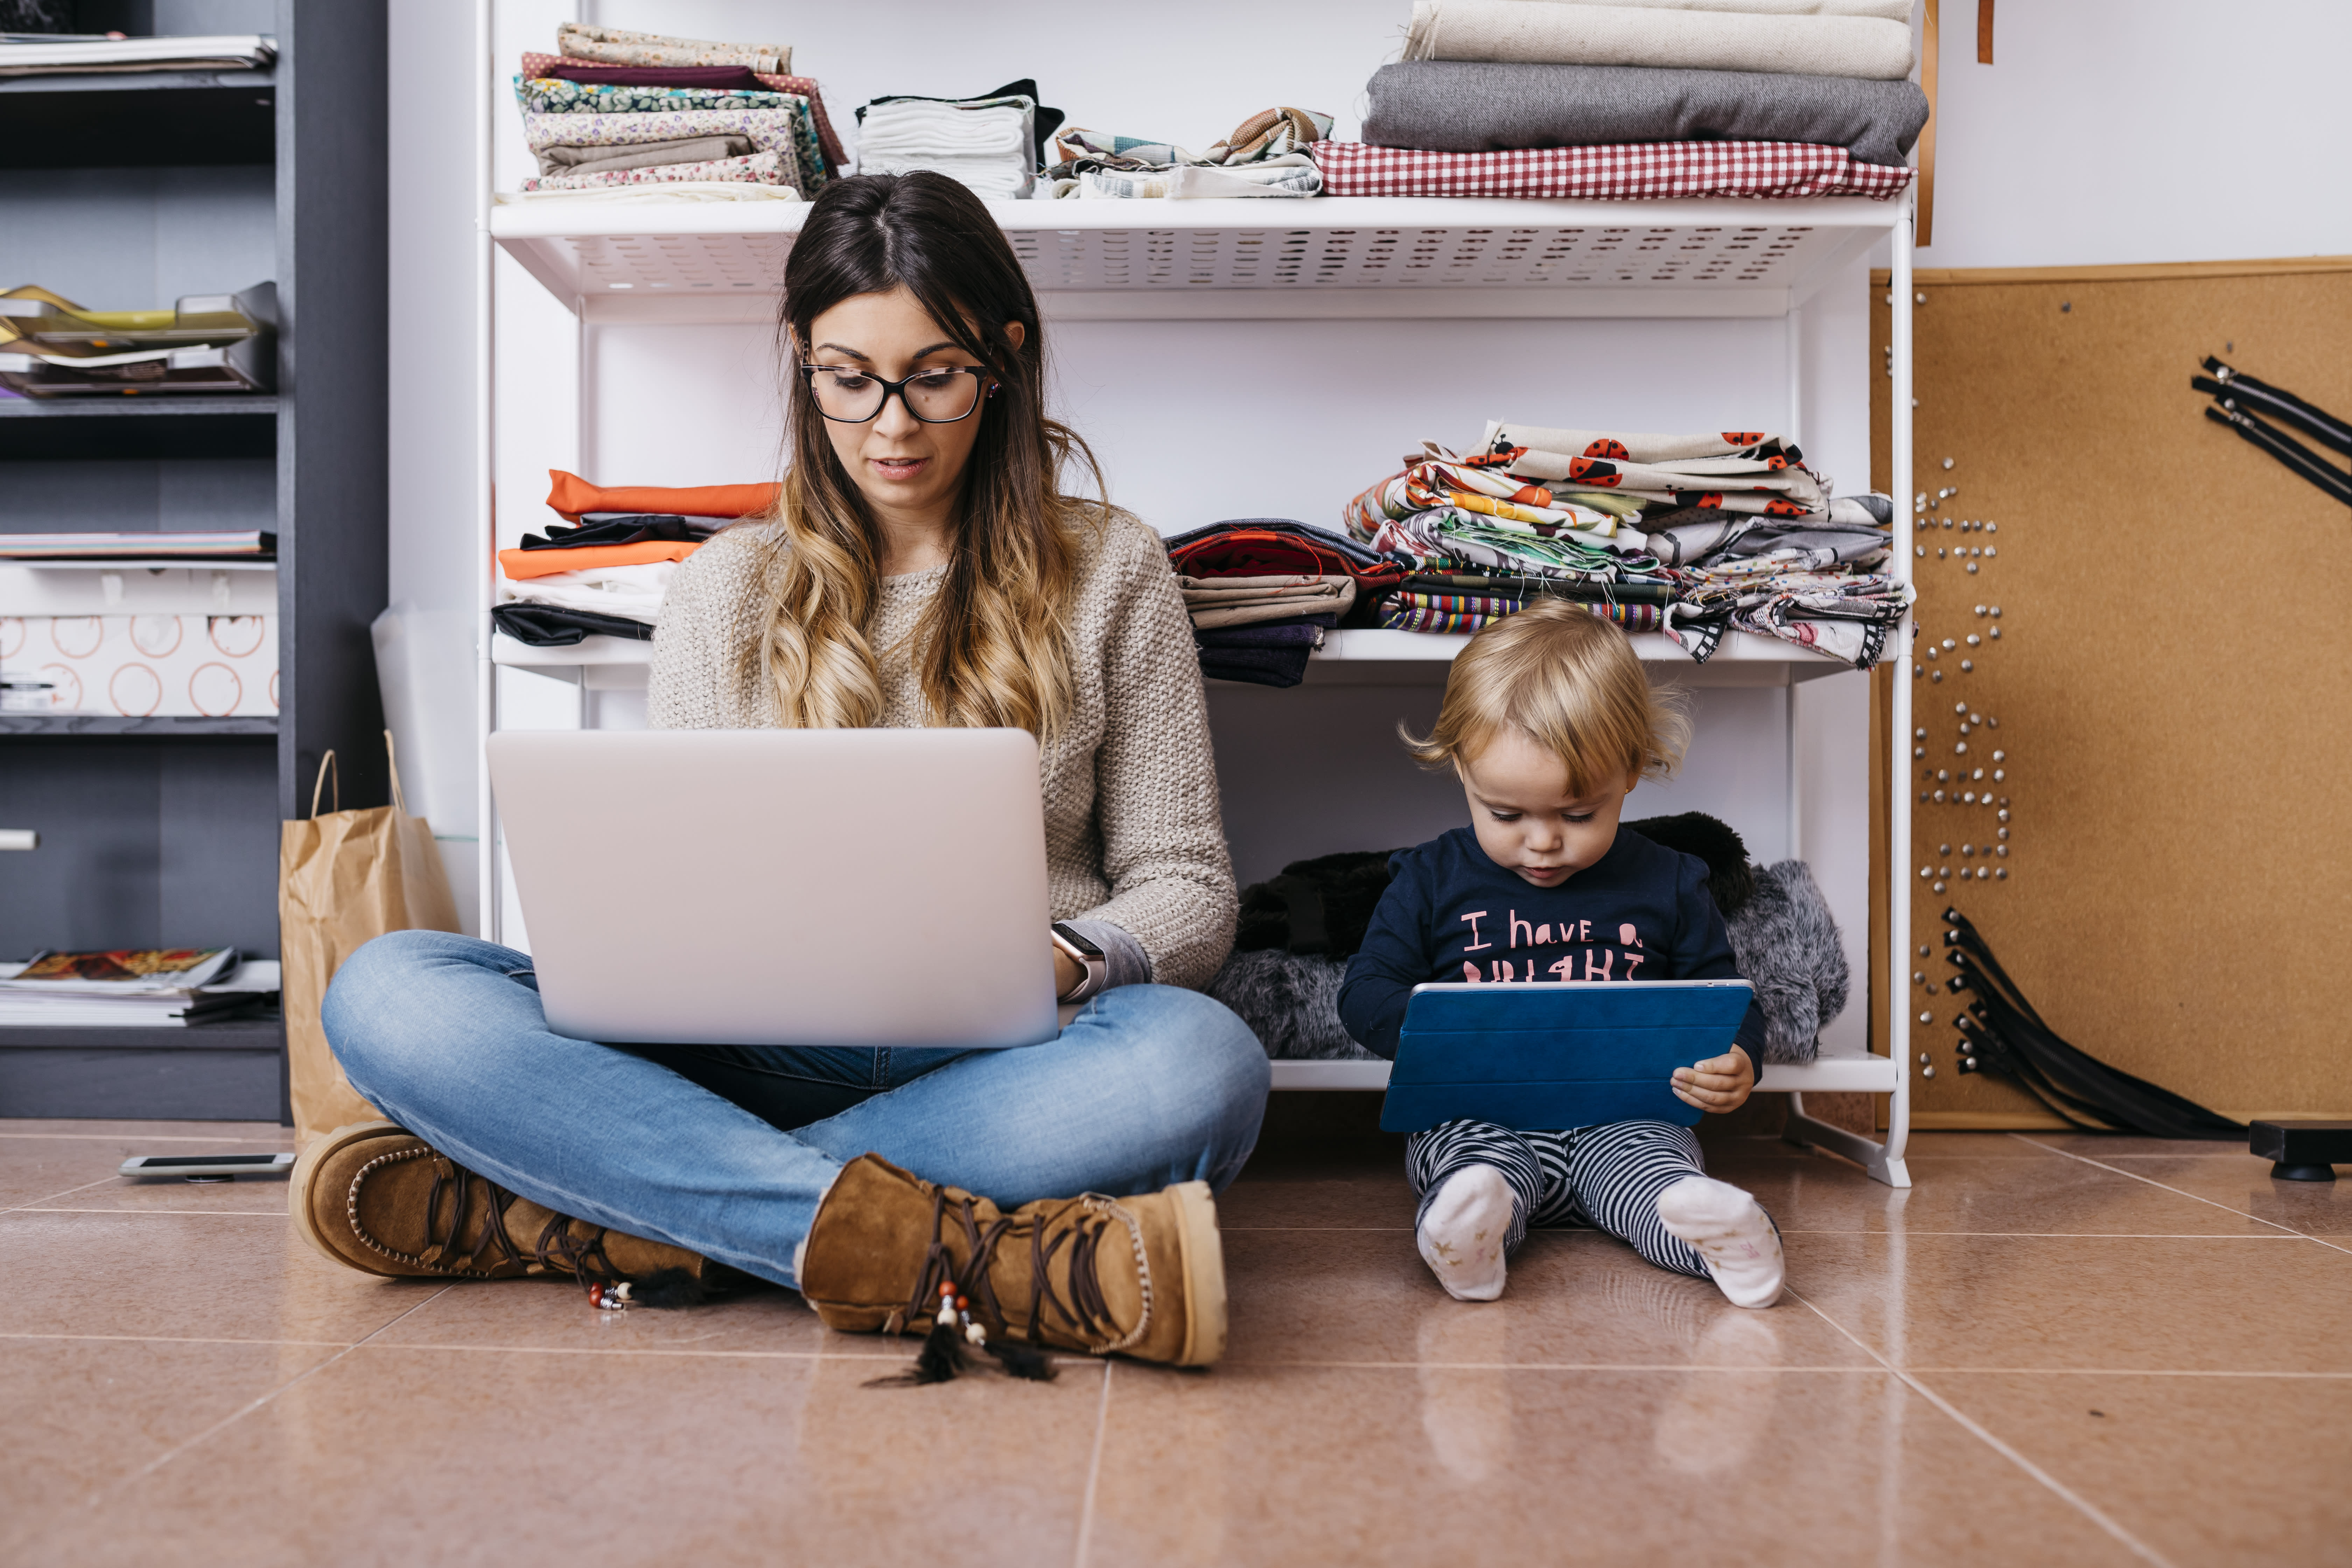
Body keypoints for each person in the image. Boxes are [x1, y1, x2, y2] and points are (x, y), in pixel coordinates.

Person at [296, 172, 1268, 1370]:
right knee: (388, 986)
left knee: (1204, 1065)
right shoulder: (725, 588)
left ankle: (629, 1219)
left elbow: (1190, 889)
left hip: (1005, 1056)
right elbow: (690, 888)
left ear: (1004, 359)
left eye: (935, 377)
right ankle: (936, 1249)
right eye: (848, 380)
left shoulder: (1112, 566)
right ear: (803, 361)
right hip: (746, 1055)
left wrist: (1069, 957)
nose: (891, 425)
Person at [1336, 600, 1785, 1309]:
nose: (1542, 841)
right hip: (1482, 1111)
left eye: (1579, 814)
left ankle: (1717, 1233)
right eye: (1506, 813)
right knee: (1473, 1167)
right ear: (1462, 771)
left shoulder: (1669, 879)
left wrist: (1738, 1059)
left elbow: (1720, 992)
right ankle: (1471, 1235)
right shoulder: (1430, 875)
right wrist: (1436, 1036)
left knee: (1650, 1173)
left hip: (1624, 1115)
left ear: (1632, 771)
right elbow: (1366, 990)